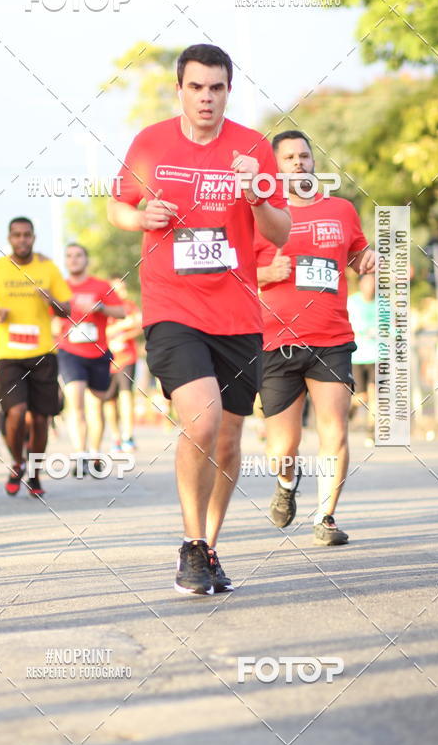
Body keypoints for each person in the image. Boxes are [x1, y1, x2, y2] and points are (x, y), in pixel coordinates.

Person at [109, 43, 290, 595]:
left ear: (228, 90)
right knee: (203, 421)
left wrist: (255, 197)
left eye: (216, 88)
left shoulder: (252, 147)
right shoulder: (151, 144)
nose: (206, 97)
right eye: (196, 87)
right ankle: (189, 545)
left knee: (230, 441)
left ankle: (210, 547)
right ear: (179, 89)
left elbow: (281, 232)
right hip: (173, 308)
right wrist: (141, 214)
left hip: (238, 313)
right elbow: (117, 207)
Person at [255, 130, 375, 545]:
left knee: (334, 431)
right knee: (282, 448)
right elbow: (230, 275)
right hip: (277, 343)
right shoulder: (260, 217)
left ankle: (325, 518)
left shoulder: (341, 209)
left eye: (304, 155)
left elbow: (358, 255)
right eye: (288, 158)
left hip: (331, 338)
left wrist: (369, 258)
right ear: (275, 168)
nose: (298, 163)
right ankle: (287, 484)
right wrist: (264, 275)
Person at [0, 217, 71, 497]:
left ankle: (34, 475)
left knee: (40, 419)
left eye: (27, 235)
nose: (22, 239)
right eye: (16, 235)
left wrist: (52, 300)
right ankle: (16, 462)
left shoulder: (47, 268)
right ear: (9, 238)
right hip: (9, 355)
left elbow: (67, 309)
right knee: (15, 412)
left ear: (34, 238)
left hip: (43, 354)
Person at [55, 244, 125, 470]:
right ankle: (80, 454)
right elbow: (49, 317)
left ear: (86, 260)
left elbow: (122, 312)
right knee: (75, 403)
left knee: (97, 403)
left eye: (78, 256)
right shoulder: (60, 287)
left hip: (98, 352)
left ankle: (94, 451)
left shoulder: (101, 286)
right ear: (65, 261)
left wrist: (101, 307)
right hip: (70, 351)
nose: (73, 260)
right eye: (69, 256)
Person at [104, 277, 143, 452]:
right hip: (108, 360)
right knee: (109, 400)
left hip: (127, 358)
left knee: (126, 395)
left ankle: (128, 436)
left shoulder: (129, 306)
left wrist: (124, 336)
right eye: (119, 288)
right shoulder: (104, 307)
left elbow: (139, 324)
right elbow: (98, 329)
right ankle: (116, 437)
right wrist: (119, 328)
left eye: (124, 287)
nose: (123, 291)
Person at [347, 273, 377, 444]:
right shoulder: (352, 302)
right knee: (362, 397)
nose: (370, 285)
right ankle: (350, 408)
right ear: (360, 284)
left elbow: (392, 327)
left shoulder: (383, 303)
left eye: (373, 282)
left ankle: (371, 432)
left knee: (374, 396)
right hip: (357, 356)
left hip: (377, 356)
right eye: (367, 282)